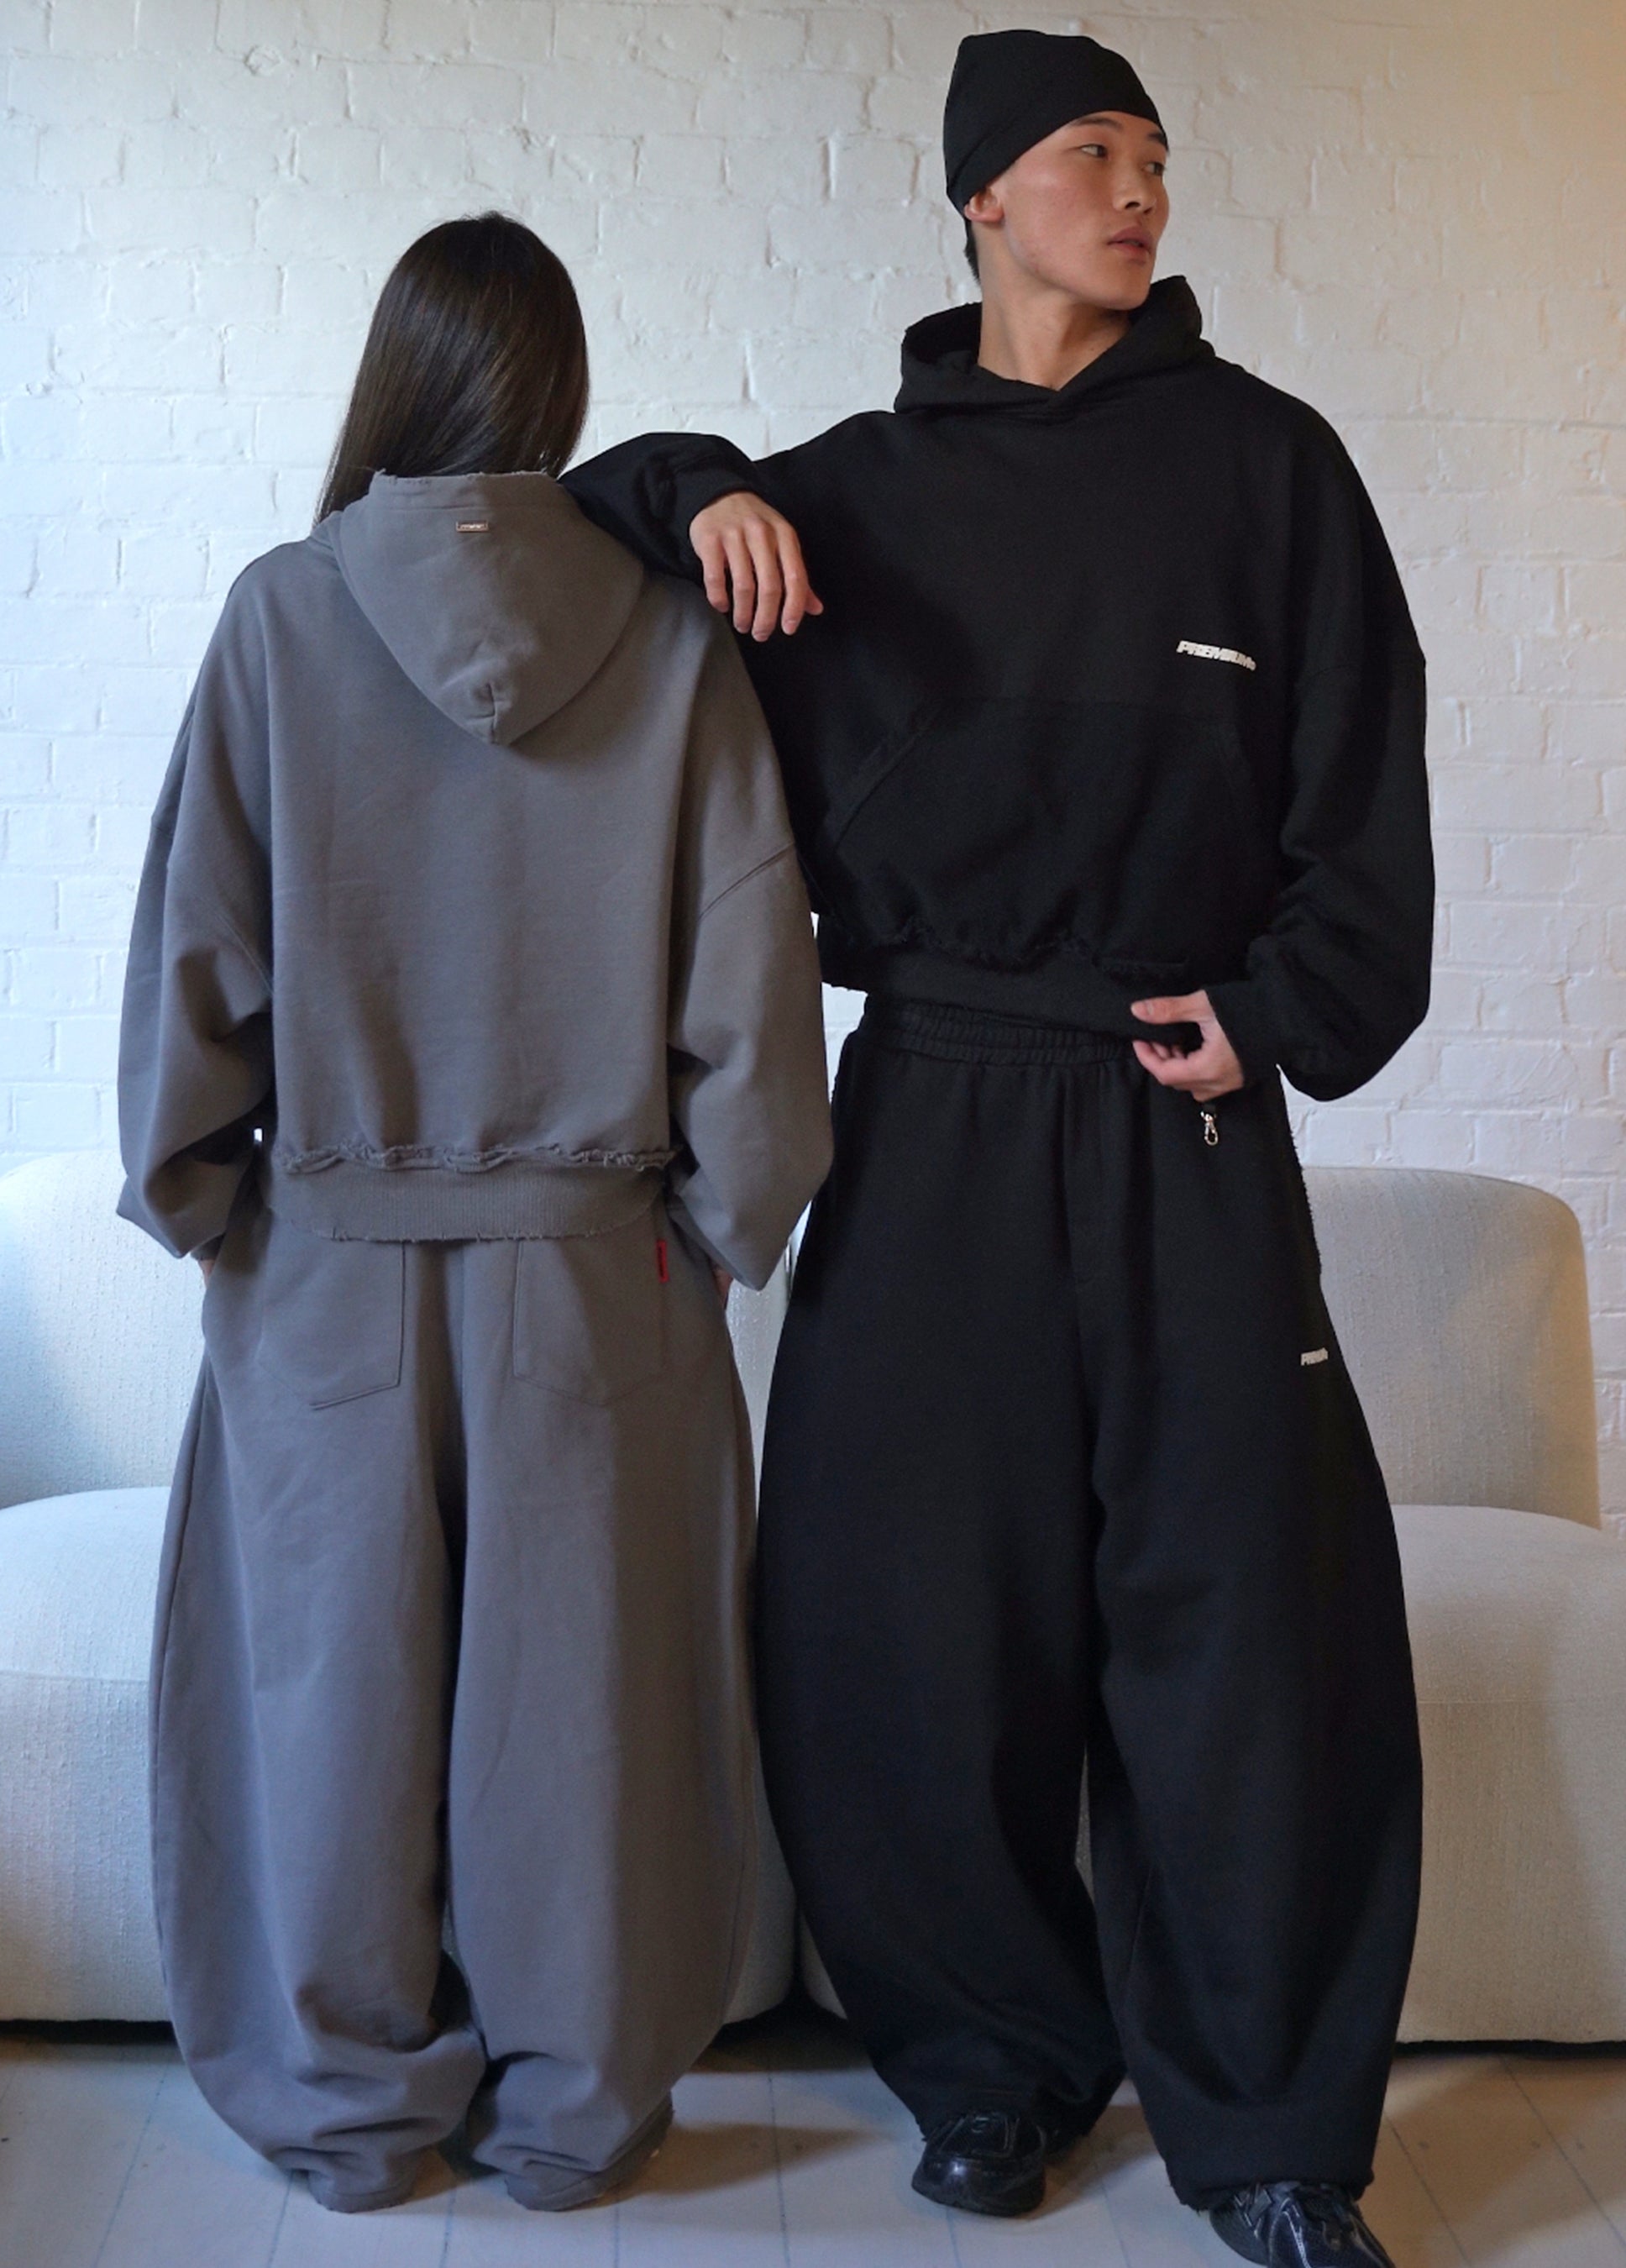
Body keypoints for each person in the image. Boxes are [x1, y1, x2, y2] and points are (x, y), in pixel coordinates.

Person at [567, 30, 1429, 2268]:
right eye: (1089, 154)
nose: (1140, 192)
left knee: (1252, 1625)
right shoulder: (855, 494)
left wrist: (1272, 1017)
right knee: (901, 1617)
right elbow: (581, 525)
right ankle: (988, 2064)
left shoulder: (1271, 468)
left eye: (1156, 157)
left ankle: (1272, 2136)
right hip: (931, 1102)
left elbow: (1365, 806)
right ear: (981, 198)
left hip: (1180, 1107)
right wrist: (698, 486)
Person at [116, 213, 833, 2216]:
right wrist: (723, 1225)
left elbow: (200, 947)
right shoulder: (671, 637)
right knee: (587, 1720)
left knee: (324, 1707)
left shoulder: (281, 617)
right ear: (560, 387)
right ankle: (575, 2116)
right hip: (603, 1268)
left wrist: (206, 1199)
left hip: (328, 1262)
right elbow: (753, 978)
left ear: (396, 371)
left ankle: (349, 2114)